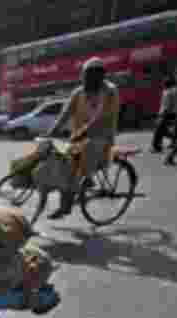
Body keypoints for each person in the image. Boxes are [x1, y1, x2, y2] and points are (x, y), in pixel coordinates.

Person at [44, 57, 120, 219]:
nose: (88, 79)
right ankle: (83, 181)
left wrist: (84, 131)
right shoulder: (78, 92)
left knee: (73, 170)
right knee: (59, 161)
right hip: (79, 139)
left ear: (101, 76)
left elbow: (103, 117)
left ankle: (65, 206)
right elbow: (65, 113)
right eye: (86, 75)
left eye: (92, 75)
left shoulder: (110, 91)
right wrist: (51, 131)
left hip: (101, 139)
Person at [152, 76, 177, 153]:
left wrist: (161, 114)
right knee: (162, 130)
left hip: (167, 113)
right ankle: (175, 139)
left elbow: (167, 105)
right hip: (171, 113)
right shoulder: (173, 91)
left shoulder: (168, 92)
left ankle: (157, 147)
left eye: (163, 83)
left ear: (165, 84)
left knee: (159, 129)